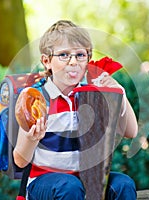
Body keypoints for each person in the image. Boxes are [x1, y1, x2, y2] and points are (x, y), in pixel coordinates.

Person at [13, 20, 138, 200]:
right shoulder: (38, 99)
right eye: (64, 55)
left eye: (80, 55)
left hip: (86, 178)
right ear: (46, 61)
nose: (73, 62)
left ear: (88, 59)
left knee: (123, 184)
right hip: (43, 182)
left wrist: (120, 93)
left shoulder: (93, 96)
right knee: (69, 187)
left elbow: (131, 132)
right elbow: (20, 160)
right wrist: (33, 139)